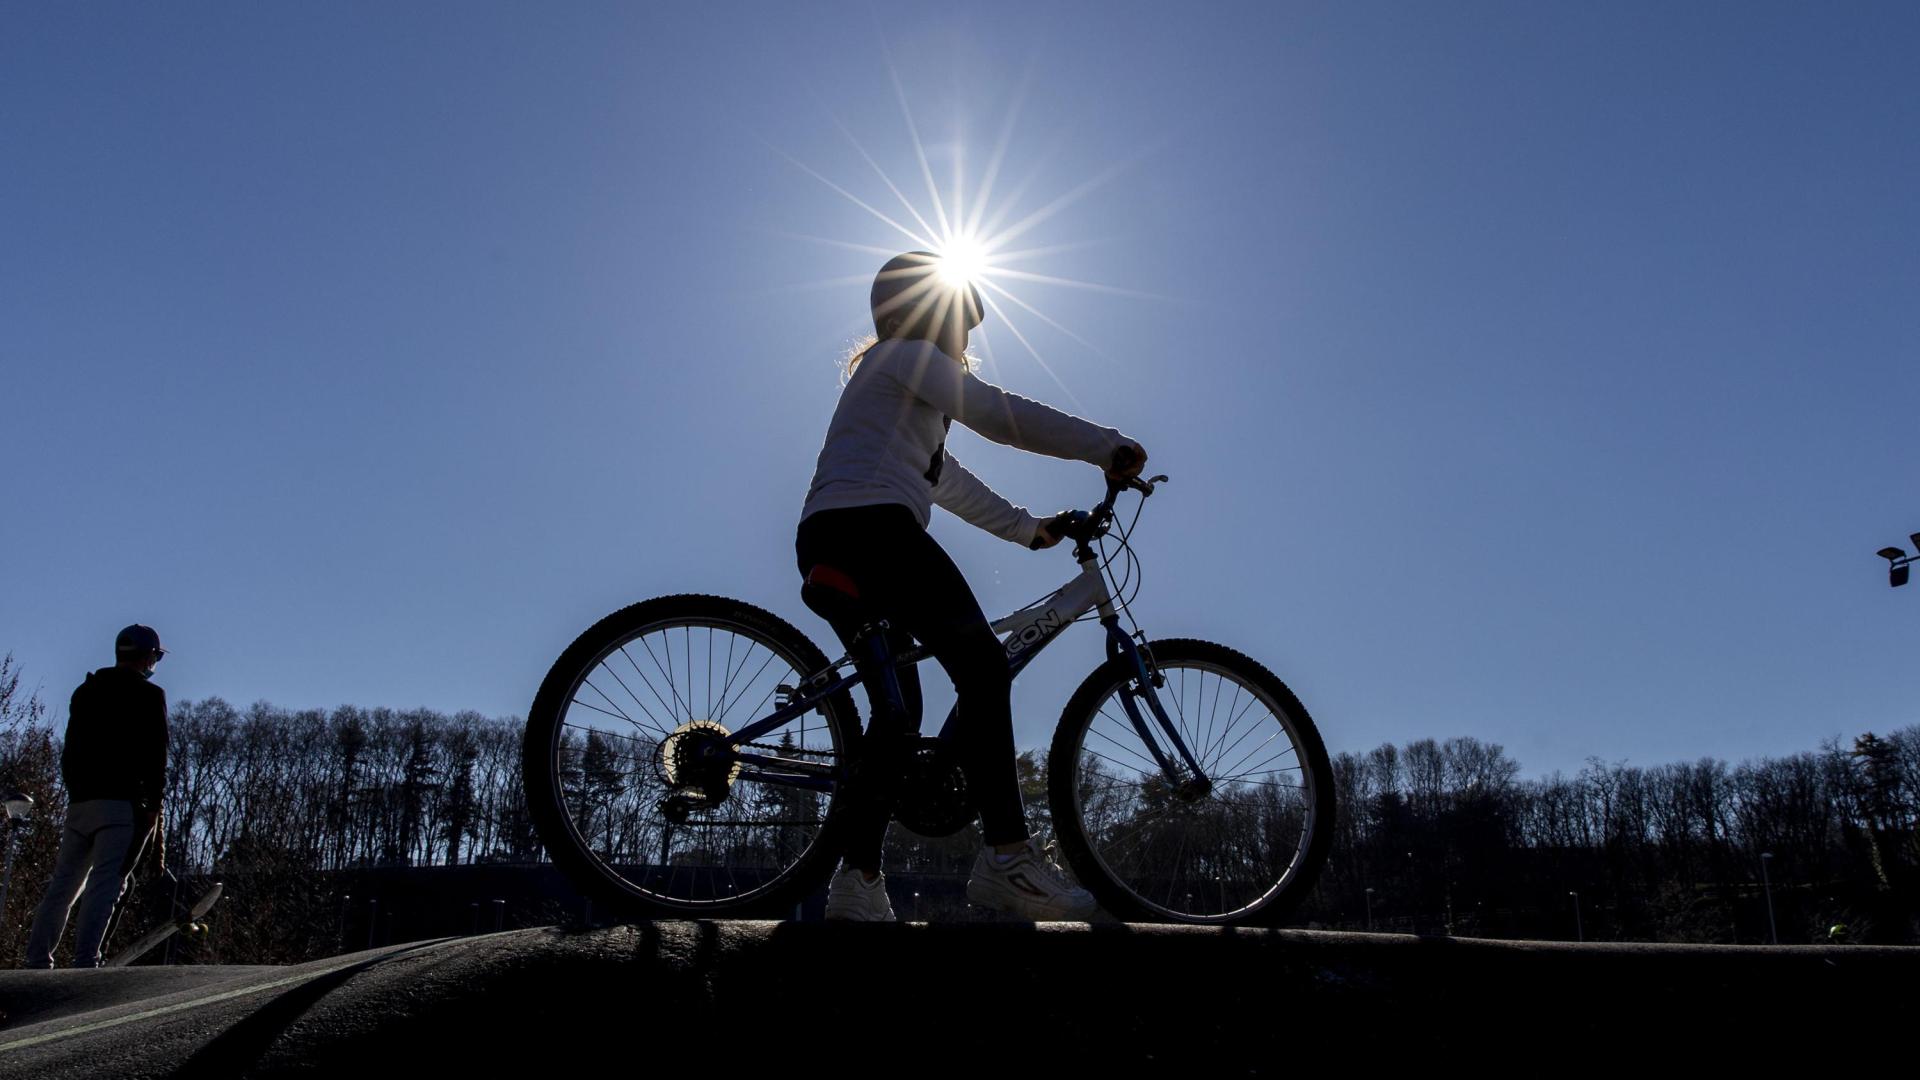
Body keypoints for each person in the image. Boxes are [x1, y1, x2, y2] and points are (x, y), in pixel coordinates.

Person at [797, 251, 1147, 921]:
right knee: (984, 665)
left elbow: (947, 481)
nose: (964, 341)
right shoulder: (904, 355)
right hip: (876, 532)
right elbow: (997, 413)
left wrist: (1029, 529)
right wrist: (1105, 445)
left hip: (829, 537)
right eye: (959, 324)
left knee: (899, 715)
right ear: (923, 316)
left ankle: (858, 880)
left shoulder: (899, 402)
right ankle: (1008, 860)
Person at [22, 624, 170, 968]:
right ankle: (87, 959)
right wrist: (154, 803)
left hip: (81, 803)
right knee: (107, 883)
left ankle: (37, 958)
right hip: (121, 805)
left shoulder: (85, 692)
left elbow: (70, 751)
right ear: (147, 656)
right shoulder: (149, 696)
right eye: (156, 656)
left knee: (64, 885)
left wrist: (76, 790)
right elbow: (155, 755)